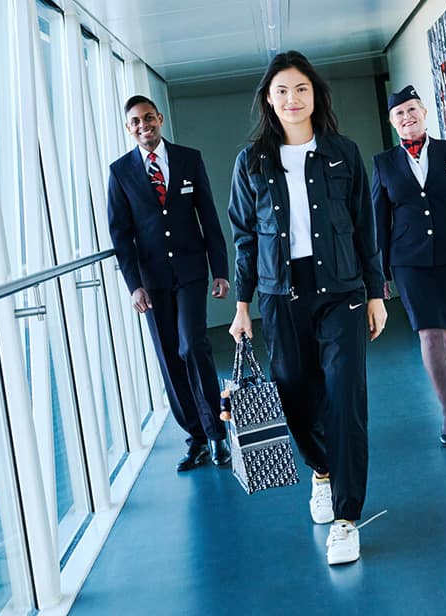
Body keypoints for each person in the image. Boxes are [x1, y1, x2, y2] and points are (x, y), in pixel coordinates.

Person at [228, 51, 387, 566]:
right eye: (281, 92)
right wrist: (242, 305)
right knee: (295, 395)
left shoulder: (343, 153)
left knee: (345, 398)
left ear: (314, 95)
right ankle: (320, 470)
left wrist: (376, 293)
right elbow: (245, 239)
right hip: (280, 296)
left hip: (341, 292)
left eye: (300, 89)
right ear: (268, 102)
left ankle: (346, 517)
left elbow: (365, 228)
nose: (292, 99)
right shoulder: (250, 162)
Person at [107, 95, 232, 472]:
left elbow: (208, 215)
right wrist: (134, 286)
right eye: (135, 122)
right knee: (168, 357)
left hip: (191, 272)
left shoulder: (188, 159)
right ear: (128, 128)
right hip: (152, 281)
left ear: (159, 119)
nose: (144, 125)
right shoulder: (120, 172)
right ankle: (194, 437)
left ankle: (217, 435)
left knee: (193, 345)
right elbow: (121, 234)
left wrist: (220, 269)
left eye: (149, 118)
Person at [371, 86, 446, 447]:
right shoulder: (383, 163)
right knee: (429, 333)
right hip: (408, 261)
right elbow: (378, 217)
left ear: (423, 112)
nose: (407, 117)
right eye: (399, 114)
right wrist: (381, 273)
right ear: (392, 123)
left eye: (412, 110)